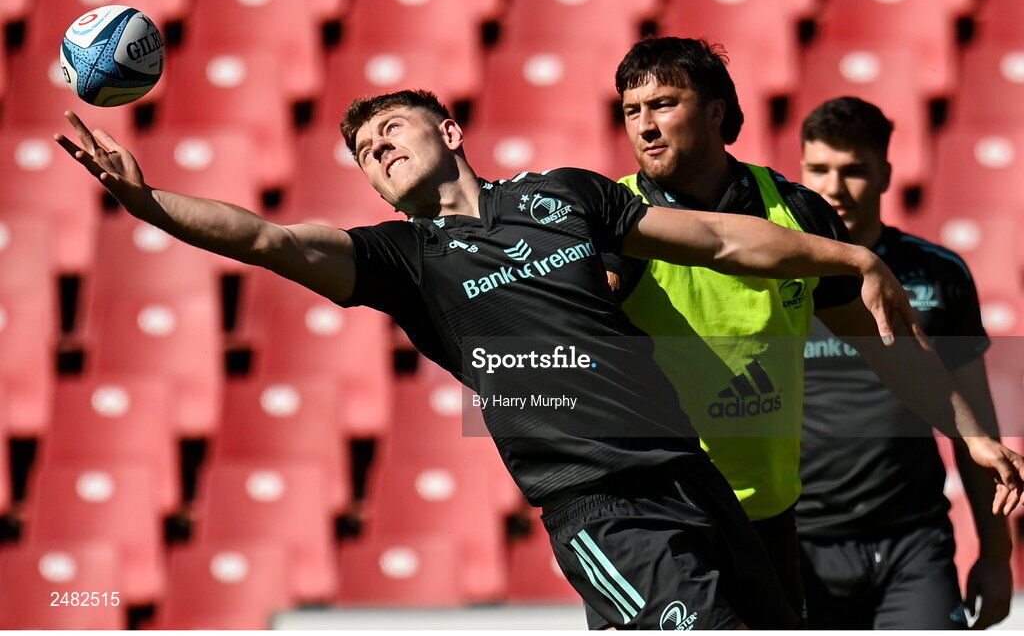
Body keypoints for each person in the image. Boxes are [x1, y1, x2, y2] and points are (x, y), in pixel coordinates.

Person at [54, 91, 1017, 631]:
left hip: (694, 476)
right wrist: (154, 205)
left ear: (452, 130)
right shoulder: (405, 261)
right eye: (362, 149)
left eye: (391, 126)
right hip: (600, 502)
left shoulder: (566, 196)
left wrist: (849, 257)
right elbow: (266, 237)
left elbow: (725, 244)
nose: (375, 147)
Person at [604, 36, 1020, 626]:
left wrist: (971, 434)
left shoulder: (797, 212)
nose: (644, 126)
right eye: (631, 111)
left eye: (664, 104)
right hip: (666, 523)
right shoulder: (608, 221)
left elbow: (885, 349)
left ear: (717, 110)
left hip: (775, 520)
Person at [796, 96, 1013, 629]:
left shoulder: (939, 274)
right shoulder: (776, 274)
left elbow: (975, 424)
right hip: (799, 544)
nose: (833, 188)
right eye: (818, 169)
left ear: (887, 174)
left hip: (913, 543)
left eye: (854, 172)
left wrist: (997, 554)